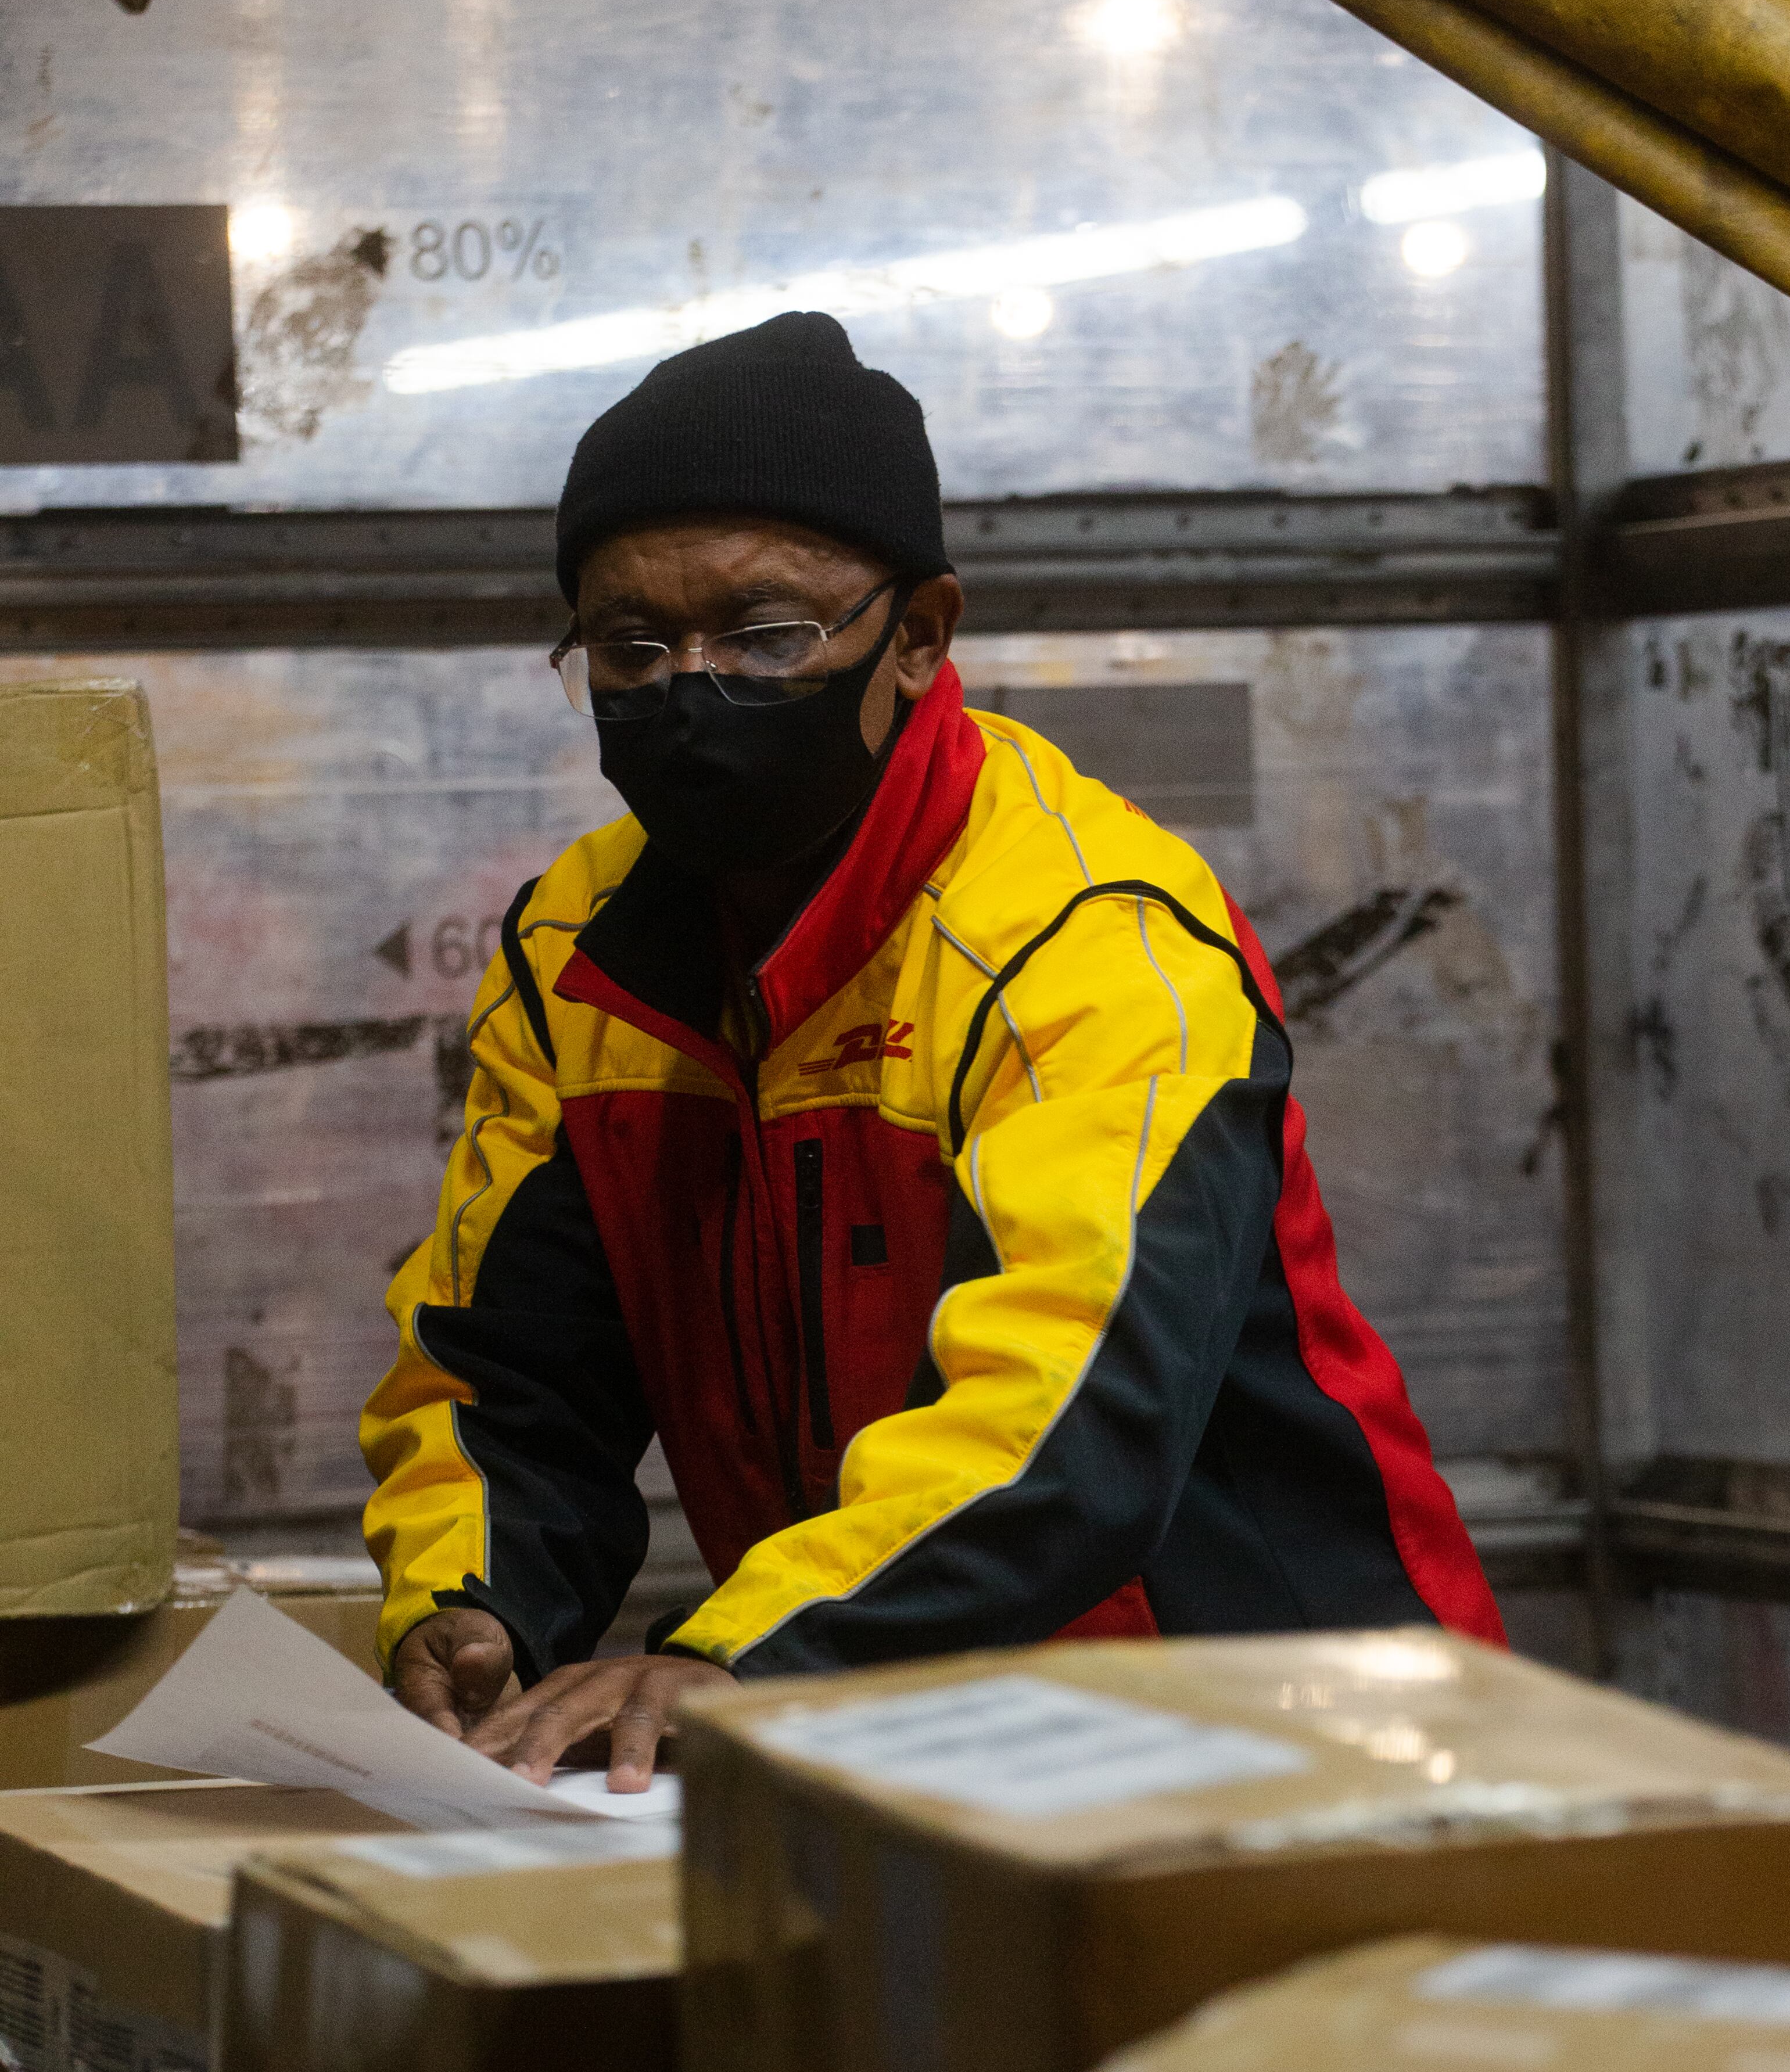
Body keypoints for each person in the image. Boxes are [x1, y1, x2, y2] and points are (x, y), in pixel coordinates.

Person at [364, 313, 1502, 1787]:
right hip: (901, 1748)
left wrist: (746, 1656)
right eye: (632, 646)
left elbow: (1068, 1417)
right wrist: (472, 1609)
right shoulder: (574, 960)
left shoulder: (1083, 938)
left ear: (918, 637)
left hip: (1292, 1743)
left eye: (767, 633)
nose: (691, 687)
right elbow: (502, 1374)